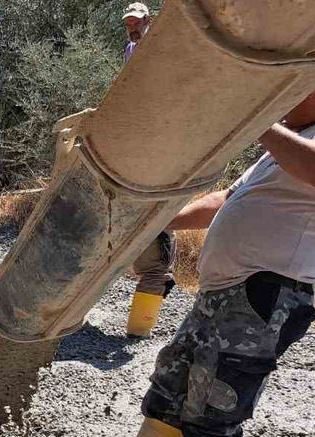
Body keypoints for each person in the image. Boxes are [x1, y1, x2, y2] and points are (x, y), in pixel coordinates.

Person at [66, 82, 315, 437]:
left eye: (306, 84)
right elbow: (229, 198)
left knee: (221, 395)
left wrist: (259, 123)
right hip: (222, 292)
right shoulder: (287, 141)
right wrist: (162, 219)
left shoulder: (310, 138)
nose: (290, 94)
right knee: (173, 381)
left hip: (268, 294)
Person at [121, 2, 179, 337]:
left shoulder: (162, 44)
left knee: (155, 251)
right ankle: (159, 284)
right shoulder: (131, 49)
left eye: (136, 21)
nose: (132, 26)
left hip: (161, 139)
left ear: (149, 20)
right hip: (142, 139)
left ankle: (139, 330)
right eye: (128, 22)